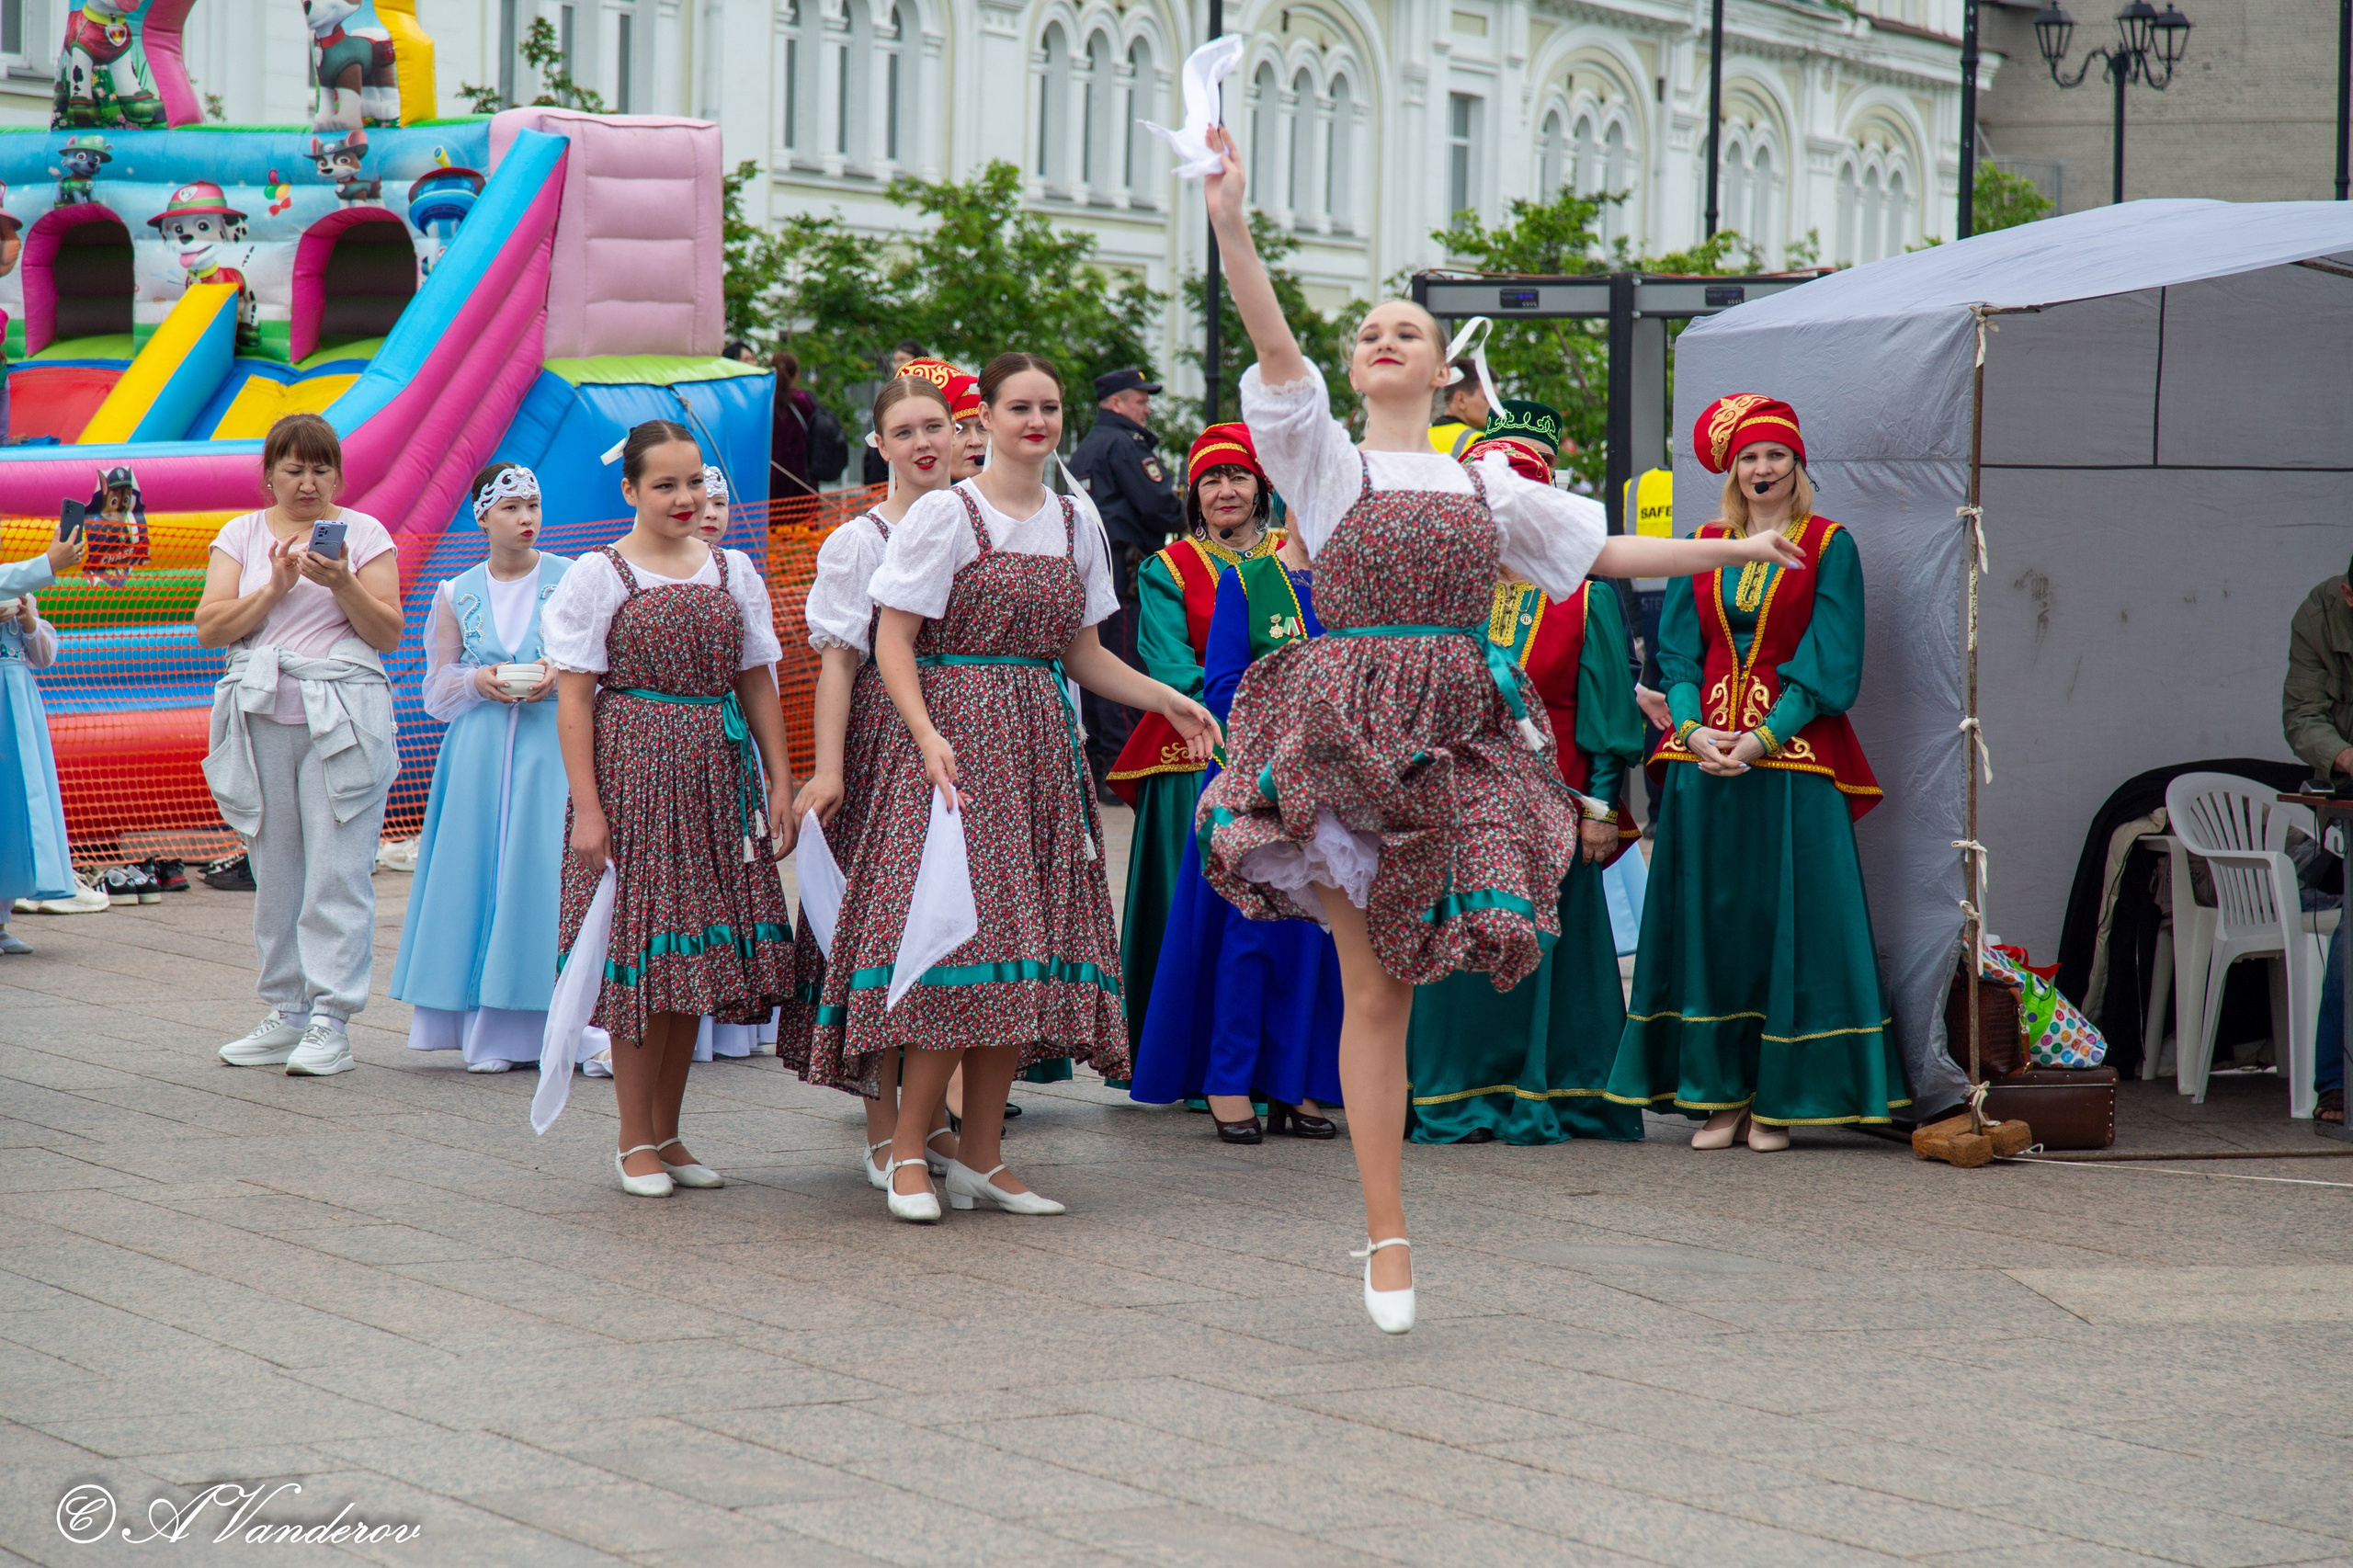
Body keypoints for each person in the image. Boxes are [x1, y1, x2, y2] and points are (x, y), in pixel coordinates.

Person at [1196, 126, 1803, 1332]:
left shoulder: (1488, 484)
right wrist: (1228, 221)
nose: (1380, 340)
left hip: (1455, 732)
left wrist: (1731, 543)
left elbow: (1603, 552)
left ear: (1440, 373)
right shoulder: (1318, 462)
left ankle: (1399, 1207)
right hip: (1344, 726)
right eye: (1367, 330)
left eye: (1404, 330)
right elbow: (1269, 335)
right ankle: (1386, 1228)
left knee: (1405, 987)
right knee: (1371, 989)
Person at [806, 351, 1220, 1225]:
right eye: (1019, 408)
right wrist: (925, 736)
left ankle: (985, 1157)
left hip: (1036, 749)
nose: (1037, 422)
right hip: (957, 745)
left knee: (1019, 955)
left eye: (1050, 408)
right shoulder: (949, 515)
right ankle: (912, 1151)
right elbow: (892, 641)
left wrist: (1166, 697)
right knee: (954, 954)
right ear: (982, 420)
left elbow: (1083, 653)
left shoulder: (1077, 522)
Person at [1605, 394, 1904, 1149]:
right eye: (1749, 457)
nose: (1762, 467)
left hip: (1793, 761)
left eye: (1775, 455)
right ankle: (1718, 1097)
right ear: (1732, 470)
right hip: (1703, 761)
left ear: (1797, 465)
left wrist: (1763, 739)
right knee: (1714, 926)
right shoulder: (1703, 541)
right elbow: (1673, 650)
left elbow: (1833, 661)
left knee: (1789, 923)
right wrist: (1695, 727)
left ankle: (1782, 1100)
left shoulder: (1831, 544)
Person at [541, 420, 798, 1197]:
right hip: (637, 780)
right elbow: (575, 698)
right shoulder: (600, 574)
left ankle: (670, 1133)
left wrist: (781, 782)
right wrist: (589, 809)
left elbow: (757, 680)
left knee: (693, 963)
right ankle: (631, 1140)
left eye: (696, 483)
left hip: (719, 780)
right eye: (666, 485)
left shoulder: (732, 570)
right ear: (631, 491)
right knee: (643, 959)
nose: (686, 498)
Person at [1404, 420, 1646, 1146]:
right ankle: (1454, 1094)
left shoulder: (1582, 597)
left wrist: (1602, 809)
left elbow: (1606, 714)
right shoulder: (1436, 595)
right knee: (1458, 948)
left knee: (1549, 953)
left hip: (1556, 805)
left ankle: (1553, 1092)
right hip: (1456, 805)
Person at [787, 369, 965, 1185]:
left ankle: (936, 1123)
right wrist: (828, 770)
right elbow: (838, 663)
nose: (925, 443)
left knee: (961, 929)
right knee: (883, 933)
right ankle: (883, 1126)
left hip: (974, 739)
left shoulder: (988, 520)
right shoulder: (859, 541)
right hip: (885, 745)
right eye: (906, 431)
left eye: (937, 426)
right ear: (879, 445)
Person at [197, 413, 404, 1078]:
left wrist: (340, 580)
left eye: (320, 469)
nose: (307, 481)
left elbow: (389, 632)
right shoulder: (241, 534)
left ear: (338, 476)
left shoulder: (365, 534)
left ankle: (330, 1020)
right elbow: (210, 625)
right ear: (269, 476)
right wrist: (276, 587)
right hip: (263, 712)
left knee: (338, 868)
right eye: (293, 468)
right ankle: (286, 1011)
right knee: (276, 868)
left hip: (342, 715)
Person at [1129, 515, 1344, 1140]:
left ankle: (1295, 1080)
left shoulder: (1356, 584)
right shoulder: (1251, 581)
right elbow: (1223, 686)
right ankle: (1228, 1079)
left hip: (1332, 787)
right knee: (1250, 937)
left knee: (1319, 942)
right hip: (1257, 781)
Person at [1105, 423, 1282, 1059]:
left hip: (1294, 754)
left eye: (1237, 476)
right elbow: (1173, 667)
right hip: (1194, 748)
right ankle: (1188, 1055)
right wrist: (1249, 738)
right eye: (1211, 479)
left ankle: (1285, 1057)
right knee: (1199, 909)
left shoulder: (1294, 558)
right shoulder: (1169, 569)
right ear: (1193, 494)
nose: (1225, 490)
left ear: (1262, 489)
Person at [389, 463, 571, 1071]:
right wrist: (477, 679)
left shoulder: (572, 581)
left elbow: (601, 665)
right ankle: (482, 1026)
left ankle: (556, 1022)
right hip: (477, 755)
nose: (527, 519)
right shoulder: (455, 591)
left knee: (544, 874)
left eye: (533, 506)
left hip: (552, 751)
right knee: (478, 874)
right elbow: (435, 688)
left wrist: (560, 679)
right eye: (512, 508)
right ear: (483, 517)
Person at [1068, 367, 1187, 791]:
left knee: (1093, 655)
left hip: (1094, 564)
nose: (1146, 407)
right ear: (1116, 403)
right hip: (1123, 567)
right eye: (1140, 399)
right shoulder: (1125, 444)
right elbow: (1160, 506)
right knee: (1118, 658)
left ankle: (1100, 755)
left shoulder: (1086, 448)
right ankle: (1118, 764)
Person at [2283, 556, 2353, 1125]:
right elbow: (2303, 713)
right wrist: (2345, 756)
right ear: (2350, 596)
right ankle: (2337, 1080)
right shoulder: (2321, 612)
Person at [0, 528, 87, 951]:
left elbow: (45, 656)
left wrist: (28, 619)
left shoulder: (18, 591)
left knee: (19, 807)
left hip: (18, 710)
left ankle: (1, 919)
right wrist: (48, 563)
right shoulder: (14, 580)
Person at [862, 339, 930, 487]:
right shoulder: (889, 393)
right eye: (895, 360)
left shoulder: (931, 393)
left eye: (902, 360)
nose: (897, 365)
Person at [772, 350, 820, 503]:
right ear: (796, 375)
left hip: (769, 482)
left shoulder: (763, 402)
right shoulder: (804, 400)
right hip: (802, 481)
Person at [1426, 358, 1493, 459]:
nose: (1494, 406)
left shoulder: (1419, 436)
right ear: (1460, 400)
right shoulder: (1477, 443)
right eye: (1487, 398)